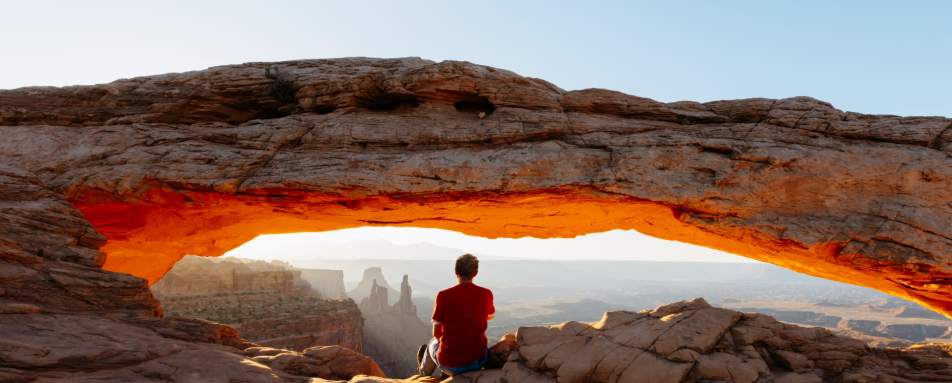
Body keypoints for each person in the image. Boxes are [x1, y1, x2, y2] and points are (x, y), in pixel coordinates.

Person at [418, 253, 495, 377]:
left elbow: (436, 333)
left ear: (456, 272)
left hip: (450, 365)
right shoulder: (486, 294)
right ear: (475, 273)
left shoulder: (443, 296)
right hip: (477, 362)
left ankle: (422, 375)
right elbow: (491, 314)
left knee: (431, 345)